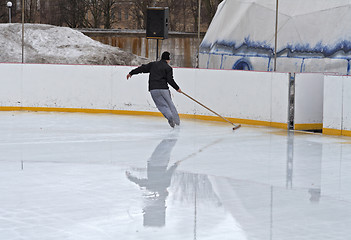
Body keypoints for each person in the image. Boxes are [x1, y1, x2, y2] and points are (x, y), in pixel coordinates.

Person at [126, 51, 182, 128]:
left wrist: (131, 73)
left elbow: (142, 68)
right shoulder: (168, 68)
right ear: (168, 59)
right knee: (170, 105)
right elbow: (170, 80)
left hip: (154, 89)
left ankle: (169, 117)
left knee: (162, 106)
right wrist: (177, 88)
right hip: (164, 89)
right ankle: (177, 123)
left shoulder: (153, 65)